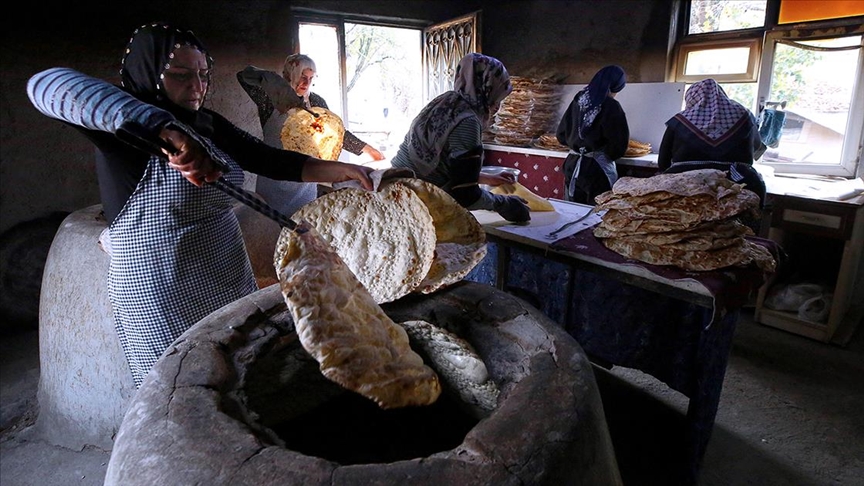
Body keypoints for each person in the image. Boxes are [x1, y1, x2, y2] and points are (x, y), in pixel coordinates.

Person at [27, 21, 373, 388]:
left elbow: (267, 159)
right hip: (161, 288)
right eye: (179, 75)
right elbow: (44, 84)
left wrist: (340, 169)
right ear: (146, 71)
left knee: (244, 378)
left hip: (224, 272)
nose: (197, 87)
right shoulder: (121, 126)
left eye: (204, 75)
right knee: (185, 388)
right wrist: (161, 129)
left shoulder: (205, 122)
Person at [390, 53, 530, 223]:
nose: (498, 105)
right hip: (419, 204)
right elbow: (465, 195)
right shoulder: (468, 121)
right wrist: (503, 204)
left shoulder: (443, 102)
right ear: (487, 88)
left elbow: (438, 163)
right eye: (498, 96)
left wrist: (483, 177)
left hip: (395, 190)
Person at [237, 54, 385, 215]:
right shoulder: (271, 98)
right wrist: (277, 83)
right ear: (290, 74)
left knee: (303, 224)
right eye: (302, 76)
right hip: (273, 175)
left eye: (310, 78)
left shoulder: (316, 102)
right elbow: (243, 76)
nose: (306, 83)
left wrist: (369, 150)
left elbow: (336, 133)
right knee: (272, 228)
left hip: (305, 177)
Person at [656, 78, 766, 208]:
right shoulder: (744, 115)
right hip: (736, 180)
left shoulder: (680, 120)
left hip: (684, 182)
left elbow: (663, 161)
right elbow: (757, 149)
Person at [556, 65, 630, 206]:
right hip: (596, 169)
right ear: (615, 86)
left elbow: (561, 135)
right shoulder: (611, 106)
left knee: (574, 212)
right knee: (597, 216)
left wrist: (578, 144)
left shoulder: (578, 101)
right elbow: (618, 147)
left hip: (572, 164)